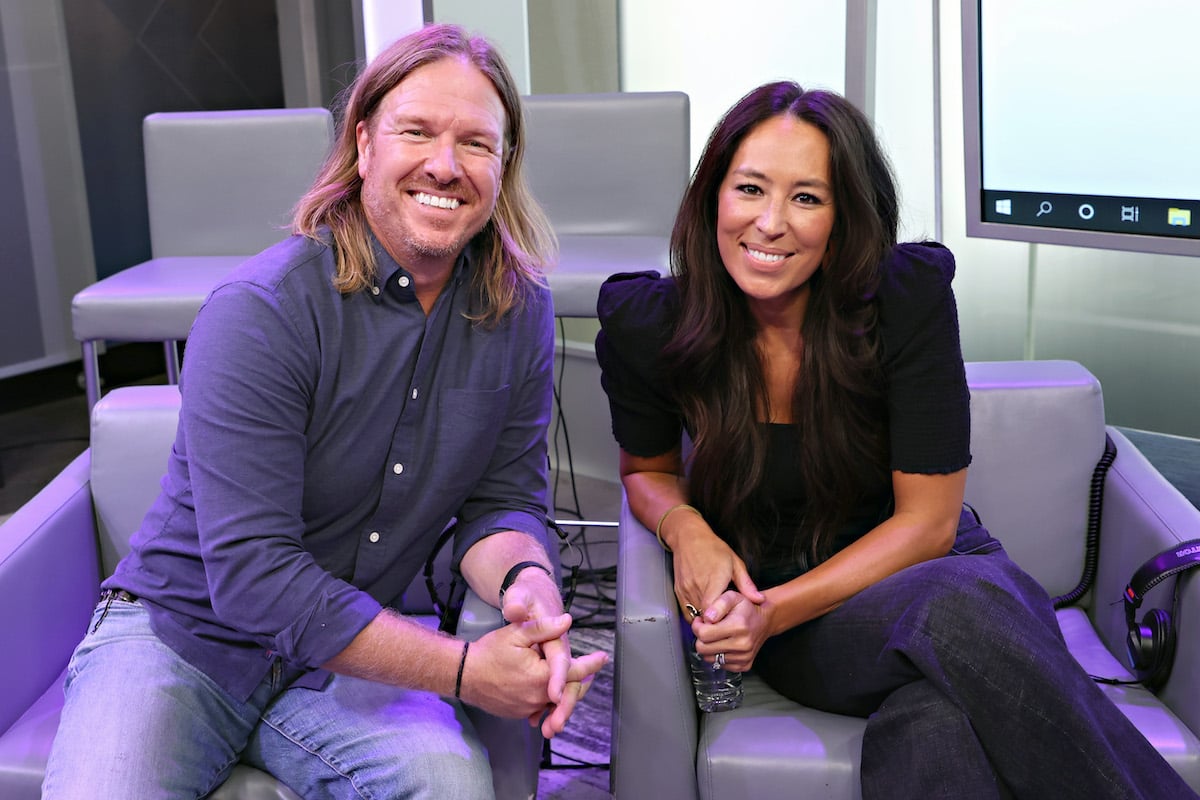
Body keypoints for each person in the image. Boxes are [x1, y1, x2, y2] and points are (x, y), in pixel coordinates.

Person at [42, 23, 606, 800]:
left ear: (504, 165)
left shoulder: (518, 309)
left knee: (449, 788)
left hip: (344, 656)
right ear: (365, 142)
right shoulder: (262, 310)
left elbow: (501, 500)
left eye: (477, 143)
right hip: (180, 638)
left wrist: (527, 585)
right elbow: (254, 578)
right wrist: (467, 671)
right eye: (417, 132)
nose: (446, 164)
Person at [596, 81, 1198, 799]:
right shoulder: (652, 323)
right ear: (712, 199)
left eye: (808, 198)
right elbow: (647, 471)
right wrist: (687, 527)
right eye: (750, 188)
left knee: (934, 724)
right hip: (814, 629)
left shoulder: (902, 301)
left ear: (845, 215)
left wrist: (767, 614)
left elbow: (930, 525)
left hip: (941, 587)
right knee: (960, 611)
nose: (771, 223)